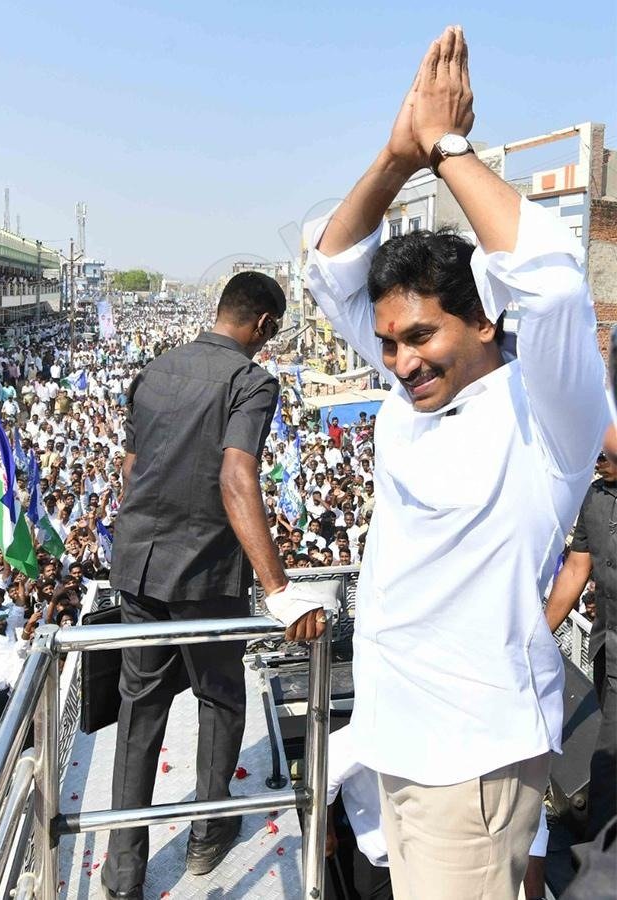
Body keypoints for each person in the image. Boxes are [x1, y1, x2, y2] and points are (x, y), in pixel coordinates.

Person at [304, 26, 607, 899]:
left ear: (483, 321)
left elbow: (551, 276)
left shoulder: (548, 415)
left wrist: (448, 151)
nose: (400, 361)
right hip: (398, 742)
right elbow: (332, 267)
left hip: (469, 759)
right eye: (391, 340)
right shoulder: (414, 391)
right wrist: (395, 157)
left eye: (421, 336)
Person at [101, 271, 328, 900]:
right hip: (207, 571)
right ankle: (207, 835)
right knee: (221, 698)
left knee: (139, 710)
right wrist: (277, 586)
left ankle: (122, 871)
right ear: (265, 325)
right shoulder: (250, 380)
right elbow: (237, 476)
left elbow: (132, 465)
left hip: (141, 566)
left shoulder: (156, 369)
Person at [545, 436, 617, 839]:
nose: (598, 459)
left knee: (606, 771)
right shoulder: (596, 496)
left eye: (605, 453)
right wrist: (536, 637)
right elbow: (575, 570)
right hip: (608, 648)